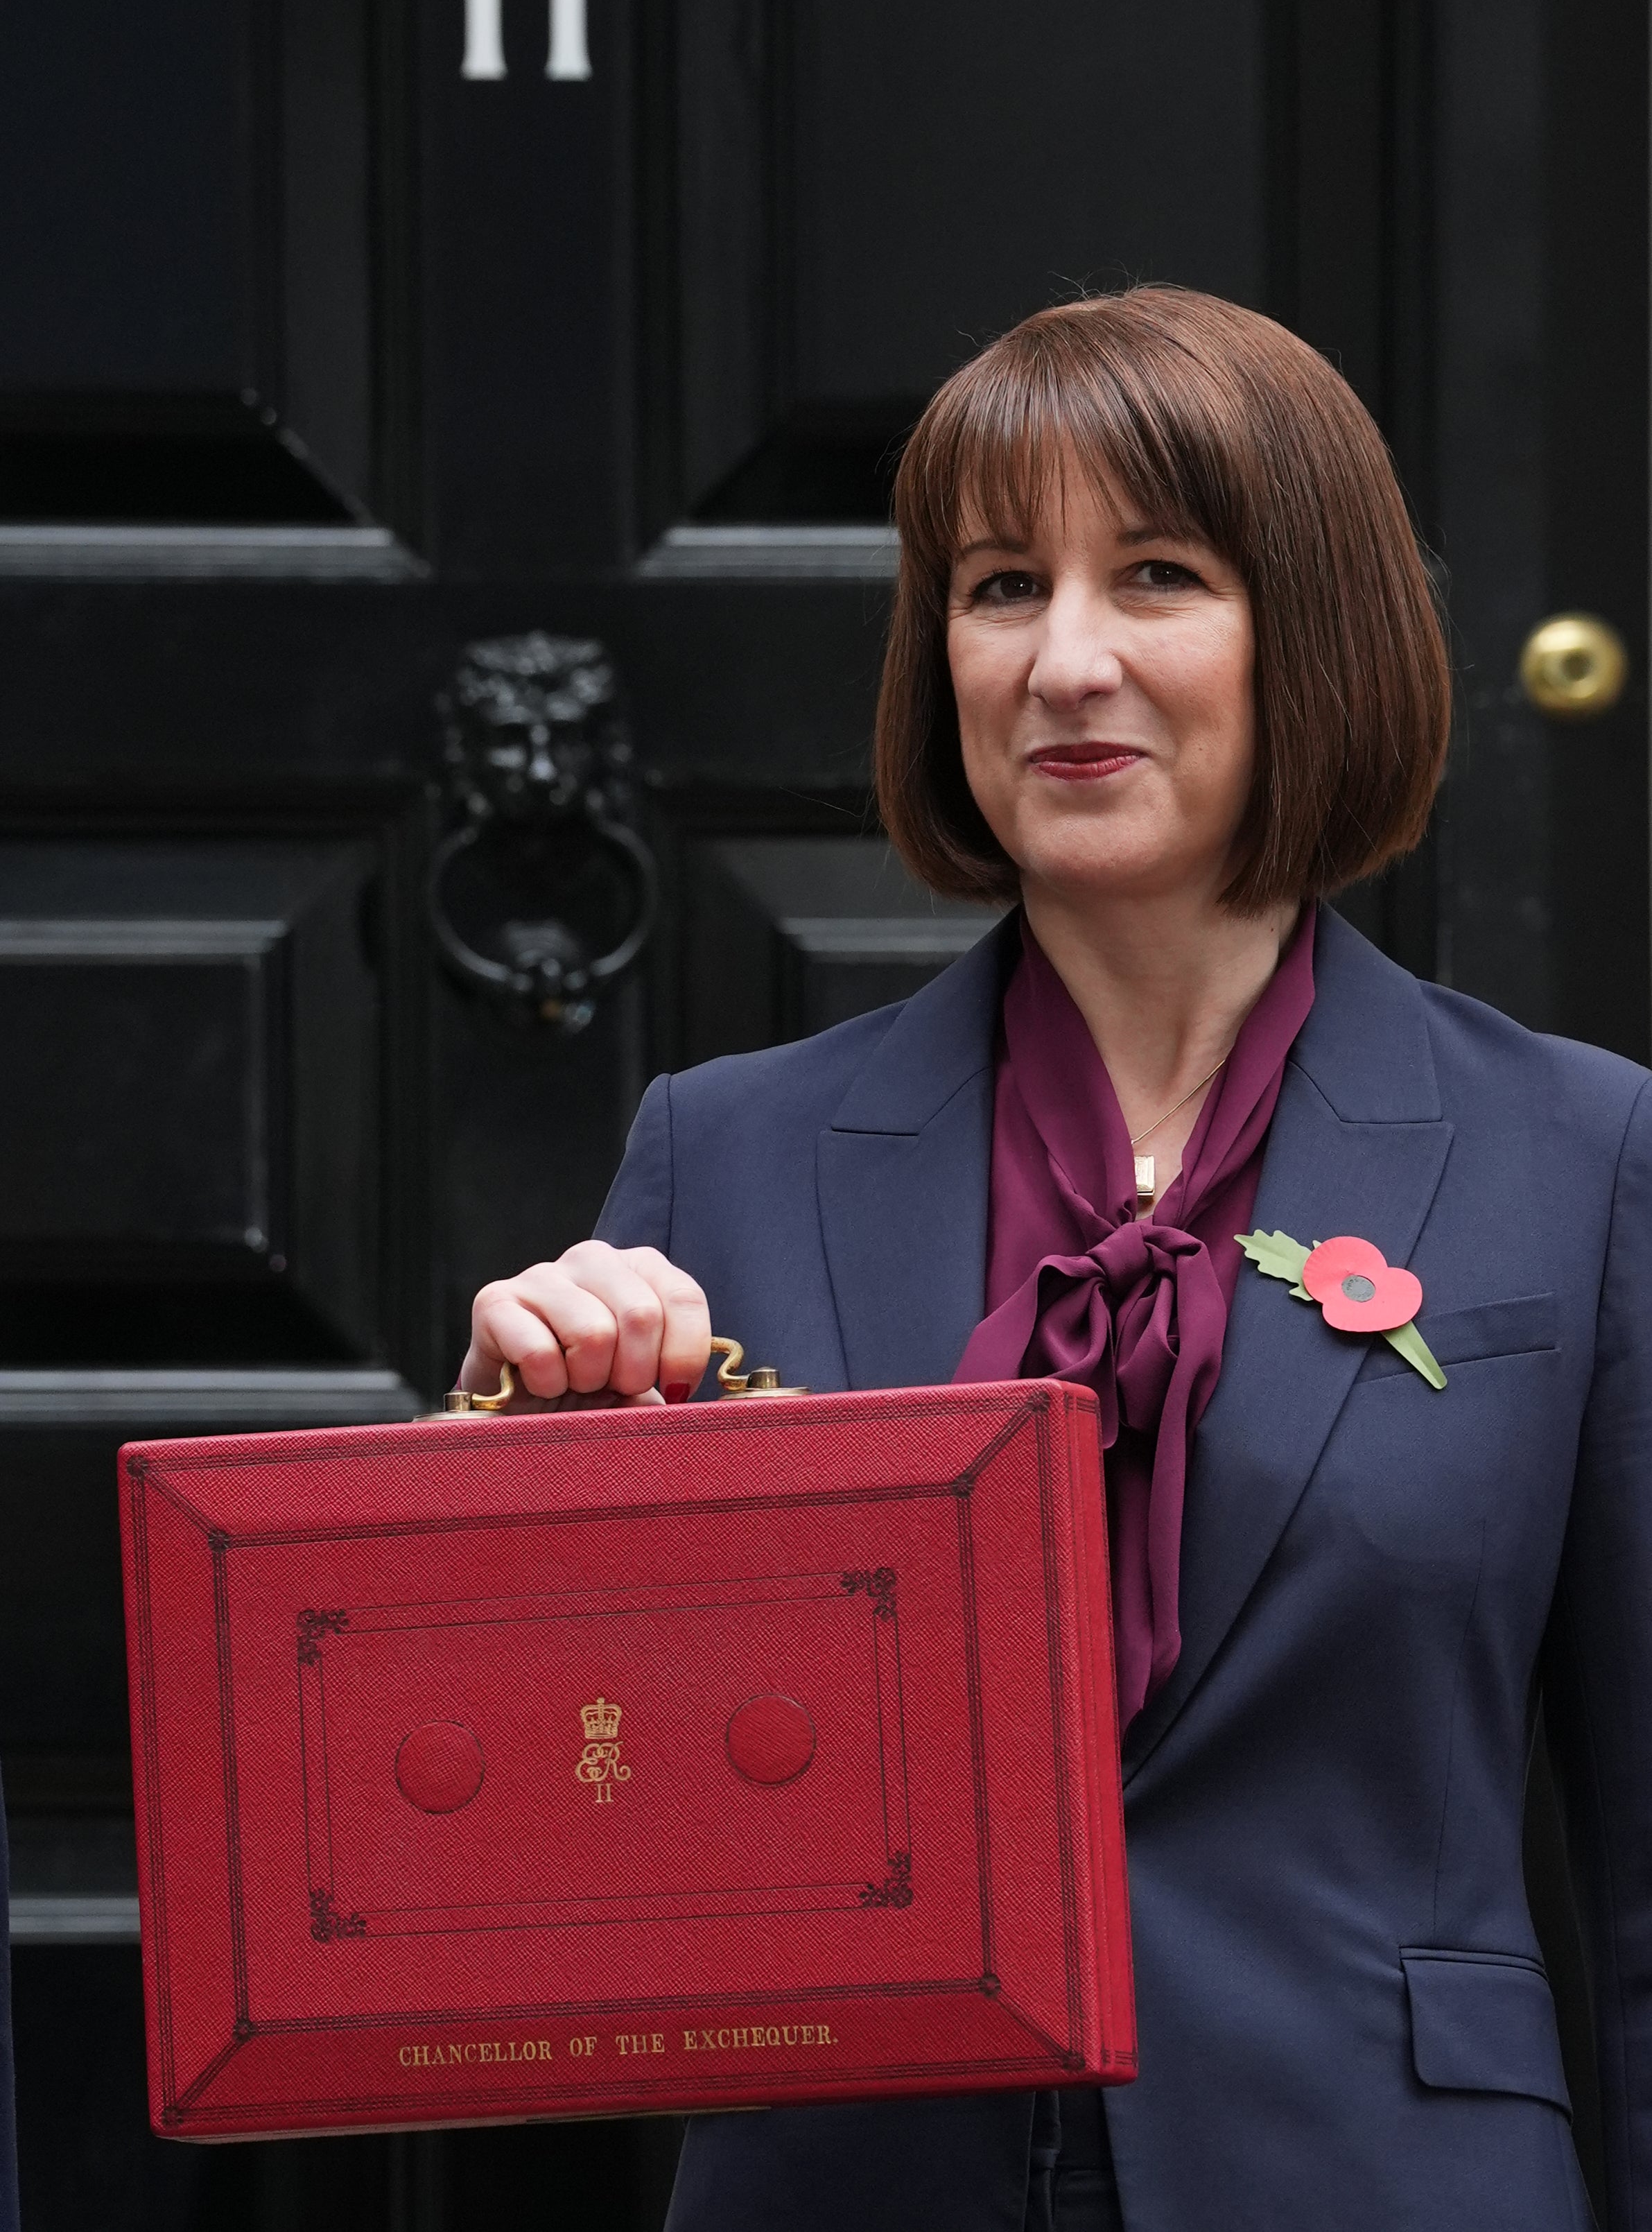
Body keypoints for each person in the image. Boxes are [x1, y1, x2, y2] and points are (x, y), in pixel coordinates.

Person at [462, 288, 1642, 2232]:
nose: (1063, 660)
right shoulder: (723, 1149)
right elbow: (559, 1838)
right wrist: (514, 1465)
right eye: (1002, 587)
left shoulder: (1580, 1158)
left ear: (1314, 633)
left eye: (1158, 576)